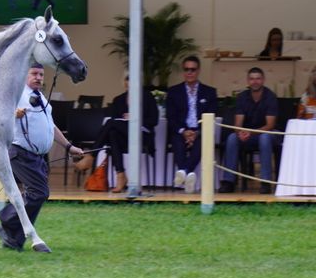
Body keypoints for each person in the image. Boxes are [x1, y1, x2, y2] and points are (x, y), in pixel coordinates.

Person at [0, 63, 83, 251]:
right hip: (19, 152)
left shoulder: (42, 98)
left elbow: (51, 126)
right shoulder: (16, 94)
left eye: (41, 74)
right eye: (34, 73)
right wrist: (13, 114)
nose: (38, 77)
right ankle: (6, 221)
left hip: (38, 157)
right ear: (24, 75)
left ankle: (13, 240)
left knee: (35, 195)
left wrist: (69, 146)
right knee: (39, 192)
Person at [219, 67, 279, 194]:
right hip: (247, 135)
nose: (255, 82)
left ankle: (265, 182)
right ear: (248, 81)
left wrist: (250, 133)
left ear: (263, 80)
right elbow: (238, 123)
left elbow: (270, 125)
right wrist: (240, 133)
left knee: (265, 138)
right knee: (232, 138)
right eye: (252, 79)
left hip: (267, 134)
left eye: (258, 78)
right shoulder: (242, 97)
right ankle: (228, 181)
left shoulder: (270, 96)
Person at [95, 72, 159, 192]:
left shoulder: (147, 97)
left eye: (133, 78)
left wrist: (135, 118)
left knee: (110, 123)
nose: (130, 81)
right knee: (112, 133)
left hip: (142, 136)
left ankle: (91, 155)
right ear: (124, 82)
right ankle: (121, 175)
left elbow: (154, 120)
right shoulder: (118, 100)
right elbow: (115, 119)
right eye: (127, 79)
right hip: (124, 138)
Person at [166, 55, 218, 193]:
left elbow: (211, 116)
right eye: (186, 69)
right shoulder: (173, 92)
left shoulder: (210, 92)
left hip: (200, 130)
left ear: (198, 71)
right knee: (176, 139)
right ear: (183, 71)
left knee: (203, 139)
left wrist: (197, 133)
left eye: (193, 69)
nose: (189, 72)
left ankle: (183, 171)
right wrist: (183, 131)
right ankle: (188, 174)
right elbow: (171, 117)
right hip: (181, 129)